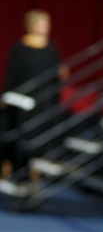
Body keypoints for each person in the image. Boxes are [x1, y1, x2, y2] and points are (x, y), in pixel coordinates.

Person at [1, 9, 68, 180]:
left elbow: (55, 76)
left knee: (40, 136)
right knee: (18, 134)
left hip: (44, 101)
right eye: (42, 23)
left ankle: (34, 174)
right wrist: (6, 95)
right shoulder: (20, 48)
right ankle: (10, 169)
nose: (46, 27)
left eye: (47, 24)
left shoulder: (51, 49)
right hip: (23, 102)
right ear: (30, 25)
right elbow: (13, 74)